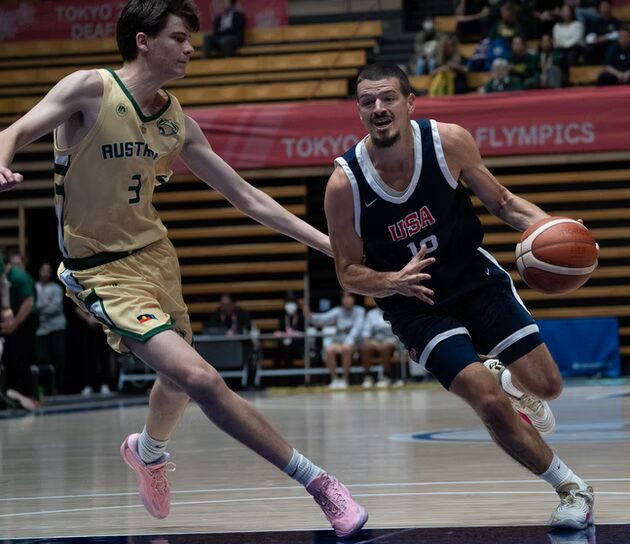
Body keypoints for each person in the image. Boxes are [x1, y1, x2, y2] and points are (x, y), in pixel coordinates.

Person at [0, 1, 367, 537]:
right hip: (101, 272)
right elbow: (12, 131)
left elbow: (249, 198)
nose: (191, 47)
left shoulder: (178, 122)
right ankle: (321, 485)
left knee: (174, 384)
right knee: (200, 377)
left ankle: (147, 453)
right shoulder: (89, 89)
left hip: (157, 260)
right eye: (179, 37)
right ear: (144, 41)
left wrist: (330, 247)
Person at [324, 63, 594, 530]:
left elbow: (504, 203)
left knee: (548, 386)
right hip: (415, 302)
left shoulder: (448, 142)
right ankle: (573, 489)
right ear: (359, 111)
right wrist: (391, 282)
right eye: (368, 101)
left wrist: (556, 229)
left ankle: (512, 382)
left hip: (471, 275)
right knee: (486, 401)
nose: (378, 108)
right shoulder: (344, 184)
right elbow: (347, 272)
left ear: (410, 103)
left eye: (388, 98)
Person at [0, 251, 39, 411]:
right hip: (15, 321)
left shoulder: (17, 276)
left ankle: (27, 395)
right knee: (11, 359)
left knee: (20, 358)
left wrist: (14, 323)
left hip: (26, 320)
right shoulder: (9, 276)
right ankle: (13, 393)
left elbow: (29, 302)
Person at [310, 291, 365, 389]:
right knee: (329, 349)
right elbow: (323, 319)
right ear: (341, 300)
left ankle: (345, 379)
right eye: (344, 298)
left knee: (346, 349)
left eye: (349, 297)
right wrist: (311, 316)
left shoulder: (360, 311)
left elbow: (356, 330)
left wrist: (347, 343)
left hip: (355, 343)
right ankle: (334, 379)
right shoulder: (338, 311)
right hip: (339, 342)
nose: (347, 300)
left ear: (354, 299)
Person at [34, 262, 67, 394]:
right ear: (39, 272)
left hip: (56, 327)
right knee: (42, 358)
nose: (45, 273)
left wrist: (40, 308)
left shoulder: (56, 288)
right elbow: (32, 305)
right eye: (43, 270)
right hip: (41, 329)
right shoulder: (34, 286)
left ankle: (59, 388)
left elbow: (56, 307)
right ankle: (45, 388)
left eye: (48, 271)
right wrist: (42, 307)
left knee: (59, 357)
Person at [360, 305, 401, 388]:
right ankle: (368, 377)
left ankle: (386, 377)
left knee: (384, 347)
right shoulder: (371, 314)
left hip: (391, 340)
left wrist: (385, 342)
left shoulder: (393, 310)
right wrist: (369, 341)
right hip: (375, 341)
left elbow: (398, 331)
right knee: (365, 347)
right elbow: (366, 332)